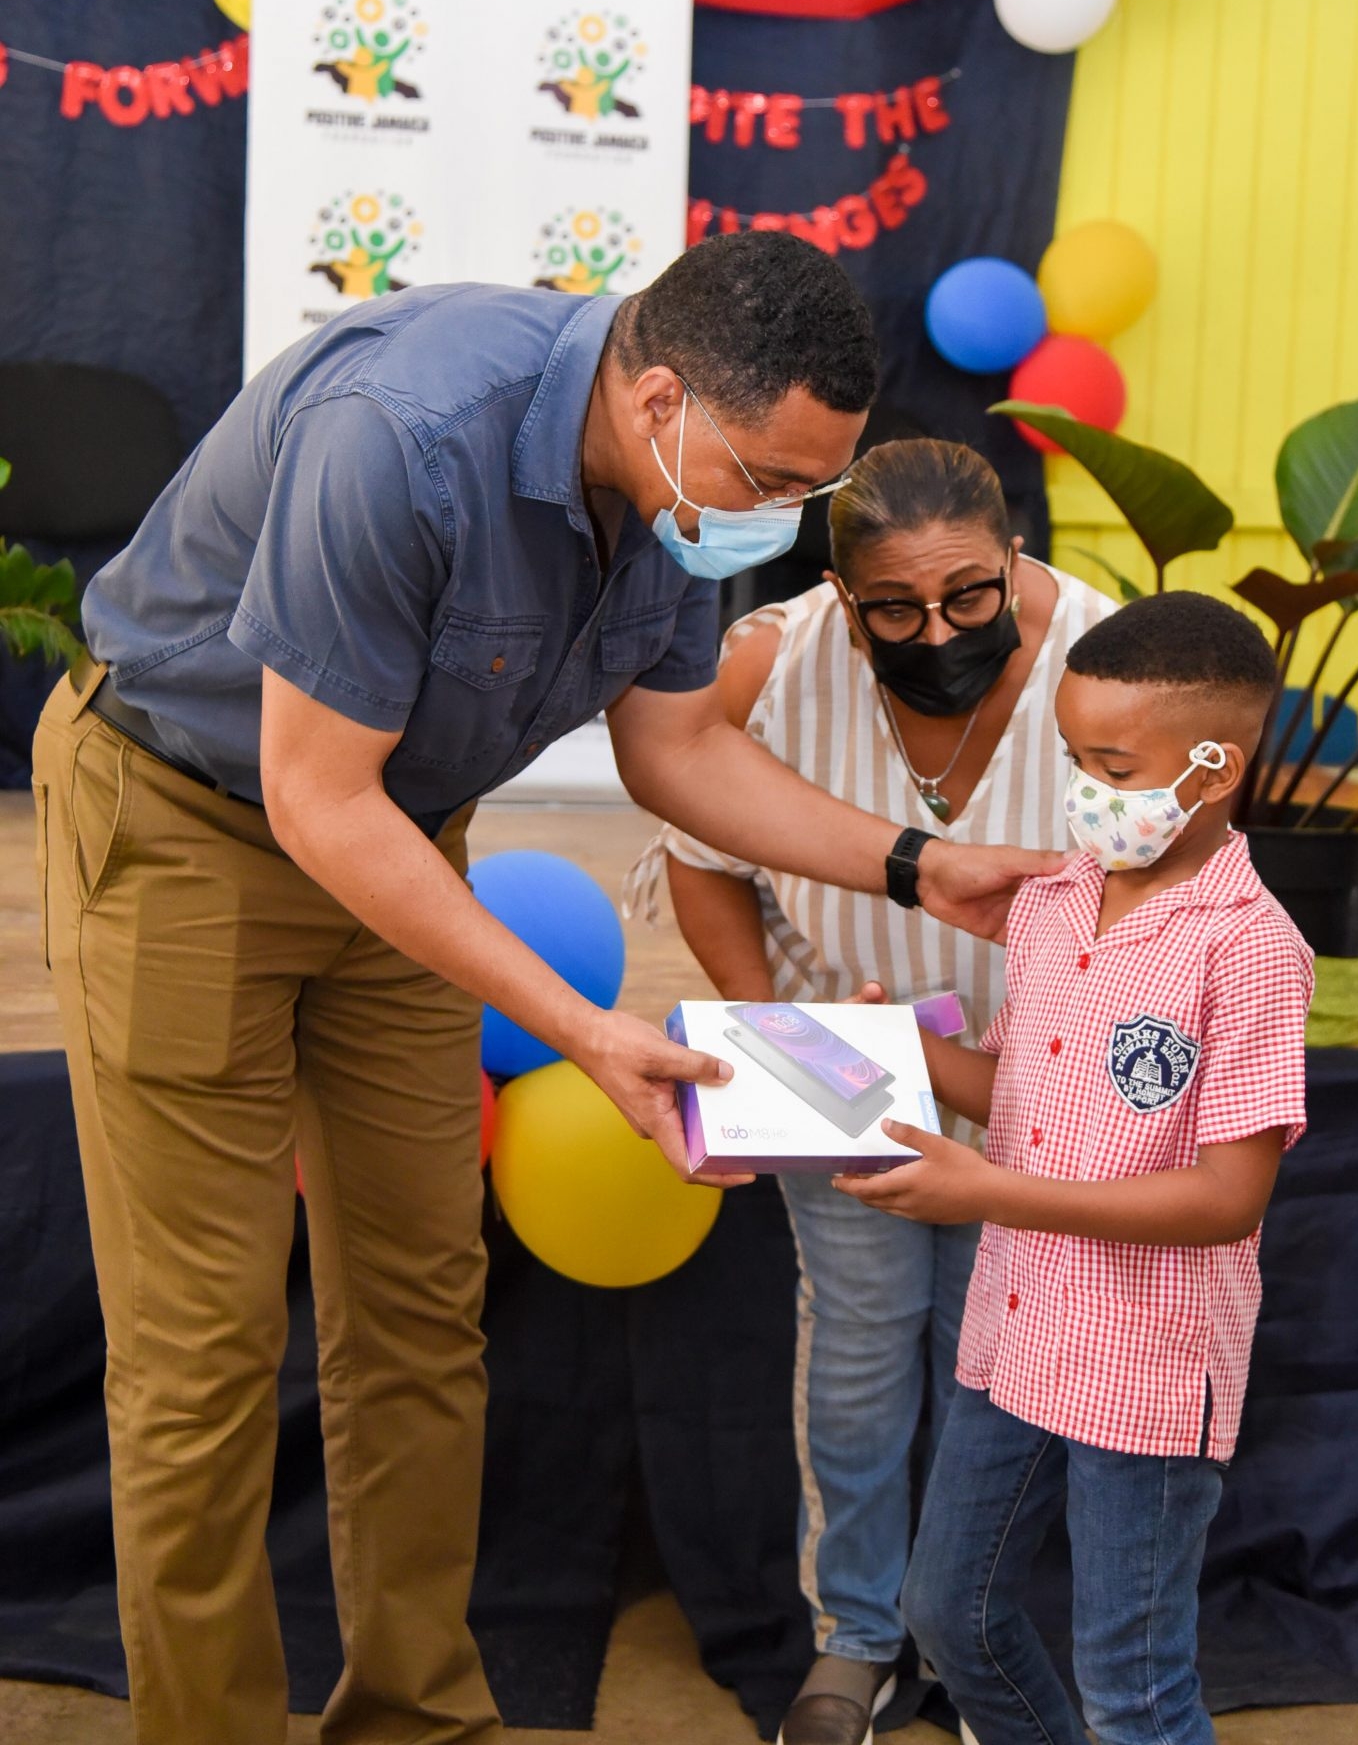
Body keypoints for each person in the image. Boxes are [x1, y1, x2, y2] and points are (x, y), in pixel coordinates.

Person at [31, 232, 1054, 1745]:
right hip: (190, 822)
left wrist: (914, 866)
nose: (777, 522)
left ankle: (419, 1717)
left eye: (805, 493)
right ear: (656, 399)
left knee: (422, 1317)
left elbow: (679, 755)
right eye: (769, 482)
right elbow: (318, 800)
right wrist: (584, 1028)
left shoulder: (680, 490)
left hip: (403, 837)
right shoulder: (405, 434)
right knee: (203, 1354)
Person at [631, 437, 1111, 1745]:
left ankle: (969, 1635)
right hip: (838, 1079)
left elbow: (1159, 897)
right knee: (852, 1364)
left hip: (1035, 1084)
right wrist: (774, 1032)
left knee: (985, 1367)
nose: (938, 628)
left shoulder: (1109, 666)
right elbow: (697, 847)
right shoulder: (771, 664)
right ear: (840, 599)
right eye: (893, 609)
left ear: (1017, 558)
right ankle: (853, 1635)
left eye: (970, 595)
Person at [836, 593, 1313, 1745]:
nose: (1084, 786)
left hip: (1146, 1365)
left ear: (1216, 767)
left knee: (1134, 1687)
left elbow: (1226, 1197)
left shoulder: (1251, 949)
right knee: (948, 1610)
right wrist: (896, 1046)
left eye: (1111, 762)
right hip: (1017, 1330)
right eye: (1071, 755)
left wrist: (987, 1191)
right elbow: (1023, 1094)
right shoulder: (1053, 904)